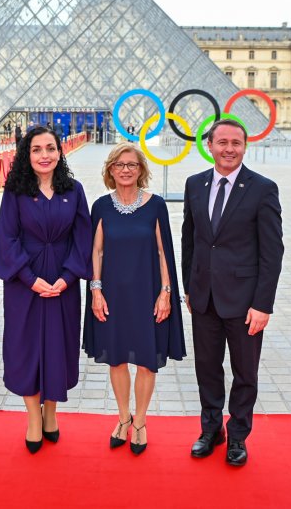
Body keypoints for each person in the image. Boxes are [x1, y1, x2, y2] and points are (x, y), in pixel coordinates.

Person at [181, 119, 284, 467]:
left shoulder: (263, 188)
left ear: (245, 146)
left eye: (236, 143)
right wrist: (189, 289)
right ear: (209, 144)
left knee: (245, 373)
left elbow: (272, 252)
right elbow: (190, 240)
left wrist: (263, 304)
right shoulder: (195, 184)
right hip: (204, 299)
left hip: (245, 302)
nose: (229, 148)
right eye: (222, 141)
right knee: (207, 369)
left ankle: (238, 435)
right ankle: (211, 429)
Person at [0, 126, 92, 454]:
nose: (44, 155)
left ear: (60, 151)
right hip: (26, 283)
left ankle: (50, 413)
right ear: (27, 154)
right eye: (37, 149)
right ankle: (32, 419)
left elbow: (84, 238)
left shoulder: (74, 190)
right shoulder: (15, 191)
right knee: (25, 348)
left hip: (63, 283)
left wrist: (68, 277)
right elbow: (6, 237)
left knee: (58, 347)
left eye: (50, 148)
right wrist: (27, 277)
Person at [83, 143, 185, 455]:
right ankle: (123, 418)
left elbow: (163, 250)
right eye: (119, 164)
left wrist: (165, 293)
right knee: (115, 359)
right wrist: (96, 290)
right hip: (112, 294)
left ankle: (140, 422)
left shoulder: (155, 205)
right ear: (110, 170)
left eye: (132, 165)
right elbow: (95, 250)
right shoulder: (100, 206)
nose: (125, 169)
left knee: (145, 360)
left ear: (141, 170)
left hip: (147, 293)